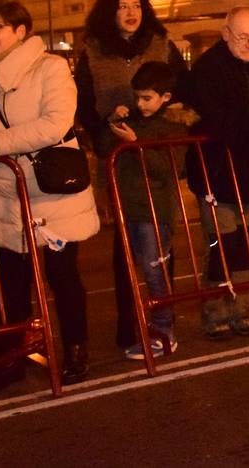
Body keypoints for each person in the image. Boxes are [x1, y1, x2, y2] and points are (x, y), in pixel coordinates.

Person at [0, 0, 99, 388]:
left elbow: (55, 123)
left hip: (52, 187)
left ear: (20, 32)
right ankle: (14, 355)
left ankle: (76, 349)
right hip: (1, 188)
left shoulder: (51, 67)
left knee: (62, 274)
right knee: (9, 281)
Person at [74, 0, 185, 353]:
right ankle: (130, 325)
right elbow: (84, 105)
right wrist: (107, 125)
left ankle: (163, 324)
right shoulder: (92, 52)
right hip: (117, 158)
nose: (130, 12)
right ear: (110, 12)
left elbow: (181, 91)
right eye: (122, 6)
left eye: (136, 5)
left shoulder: (160, 44)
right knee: (125, 251)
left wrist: (161, 124)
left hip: (154, 156)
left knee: (159, 248)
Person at [179, 7, 249, 340]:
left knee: (246, 243)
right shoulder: (208, 69)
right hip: (217, 171)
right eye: (243, 37)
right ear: (225, 33)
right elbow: (216, 119)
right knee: (220, 245)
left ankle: (241, 310)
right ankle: (216, 314)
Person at [105, 61, 186, 360]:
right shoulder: (136, 119)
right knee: (141, 273)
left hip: (155, 211)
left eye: (146, 98)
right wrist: (113, 121)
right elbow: (105, 147)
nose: (139, 103)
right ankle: (153, 330)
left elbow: (169, 169)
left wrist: (136, 144)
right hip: (131, 208)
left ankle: (164, 333)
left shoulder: (174, 125)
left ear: (165, 97)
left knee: (155, 274)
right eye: (137, 97)